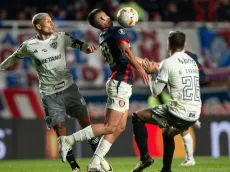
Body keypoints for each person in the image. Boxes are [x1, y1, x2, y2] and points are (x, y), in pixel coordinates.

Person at [0, 13, 110, 172]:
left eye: (52, 21)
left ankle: (99, 161)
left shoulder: (61, 37)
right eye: (48, 22)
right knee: (60, 129)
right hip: (49, 93)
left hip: (69, 88)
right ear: (38, 26)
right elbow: (13, 57)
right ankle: (75, 168)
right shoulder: (29, 46)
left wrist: (87, 48)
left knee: (86, 125)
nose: (52, 24)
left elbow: (78, 44)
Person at [58, 8, 153, 172]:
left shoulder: (104, 35)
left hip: (120, 83)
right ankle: (68, 140)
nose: (109, 17)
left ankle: (95, 163)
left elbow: (125, 55)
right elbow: (126, 51)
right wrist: (140, 68)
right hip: (120, 82)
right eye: (106, 15)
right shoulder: (117, 31)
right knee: (110, 126)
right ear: (102, 19)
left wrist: (144, 63)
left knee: (119, 127)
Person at [131, 31, 202, 172]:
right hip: (195, 112)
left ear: (168, 44)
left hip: (179, 112)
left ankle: (145, 158)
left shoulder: (168, 63)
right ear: (184, 44)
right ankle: (166, 170)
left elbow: (156, 92)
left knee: (137, 116)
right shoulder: (192, 62)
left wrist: (151, 74)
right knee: (167, 133)